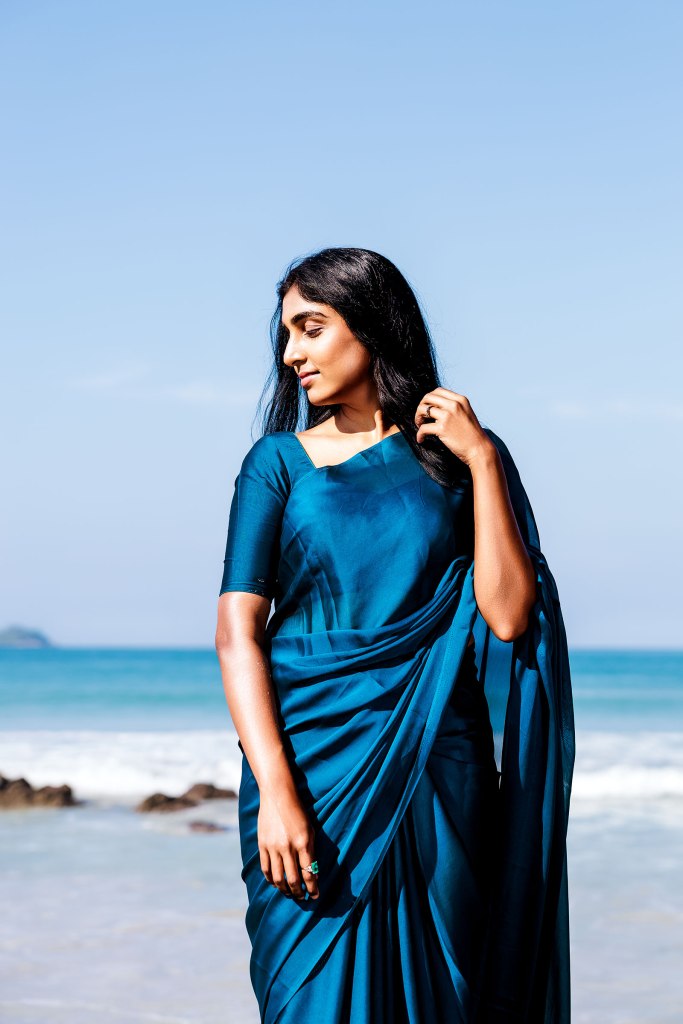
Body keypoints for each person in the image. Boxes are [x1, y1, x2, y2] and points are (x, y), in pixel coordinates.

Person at [214, 247, 575, 1024]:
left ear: (371, 324)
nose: (291, 354)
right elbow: (237, 635)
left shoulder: (459, 460)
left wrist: (481, 459)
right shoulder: (276, 465)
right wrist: (276, 793)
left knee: (443, 998)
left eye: (311, 328)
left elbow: (509, 616)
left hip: (437, 771)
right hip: (309, 771)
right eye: (286, 333)